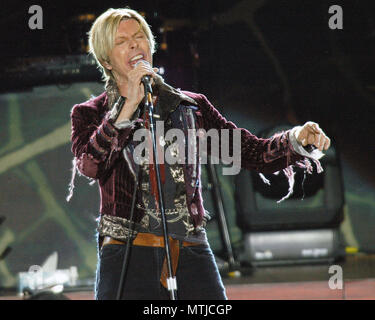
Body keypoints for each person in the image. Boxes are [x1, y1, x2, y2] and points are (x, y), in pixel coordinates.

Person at [68, 8, 331, 300]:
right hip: (127, 252)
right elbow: (90, 164)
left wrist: (296, 139)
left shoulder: (190, 108)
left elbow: (251, 152)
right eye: (122, 41)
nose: (134, 44)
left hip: (189, 248)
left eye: (140, 36)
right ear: (106, 59)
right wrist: (126, 108)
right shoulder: (90, 113)